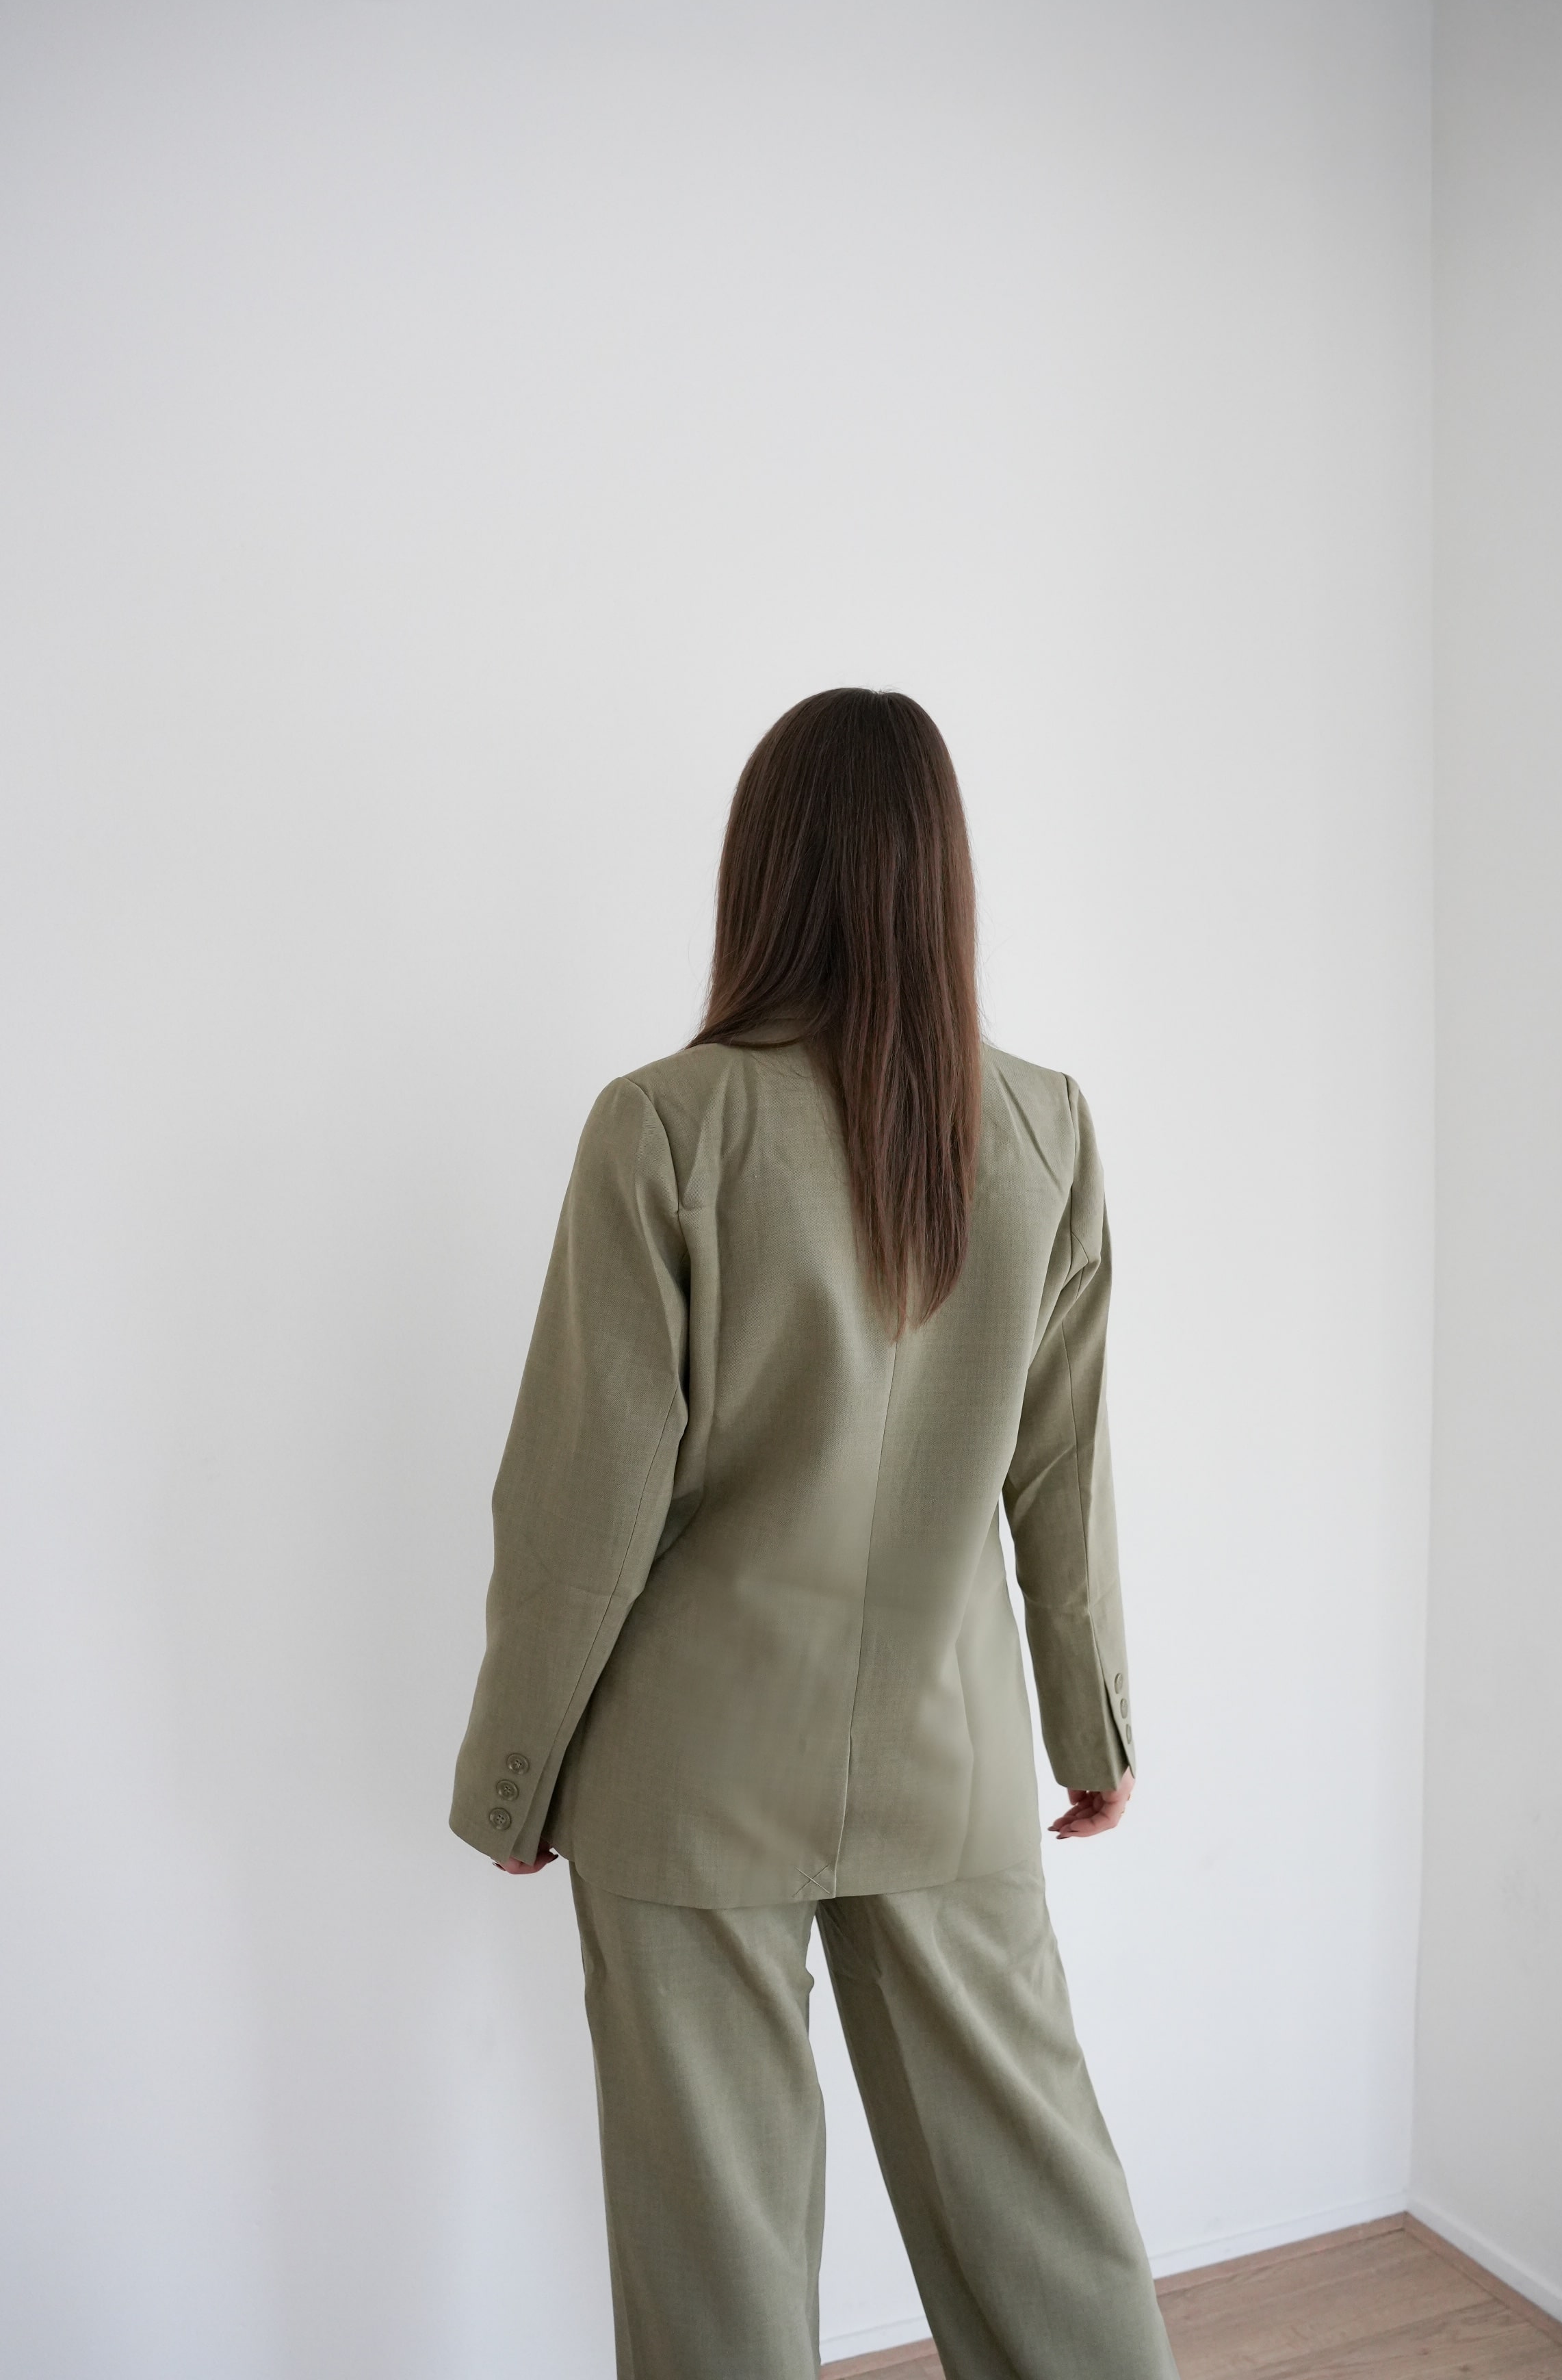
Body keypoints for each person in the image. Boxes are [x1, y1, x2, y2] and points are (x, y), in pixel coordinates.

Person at [450, 687, 1177, 2380]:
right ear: (943, 877)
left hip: (687, 1772)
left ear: (763, 870)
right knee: (1040, 2216)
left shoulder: (667, 1124)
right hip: (949, 1754)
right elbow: (1062, 1475)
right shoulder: (1044, 1126)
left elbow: (579, 1498)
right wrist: (1095, 1732)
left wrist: (516, 1773)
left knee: (713, 2257)